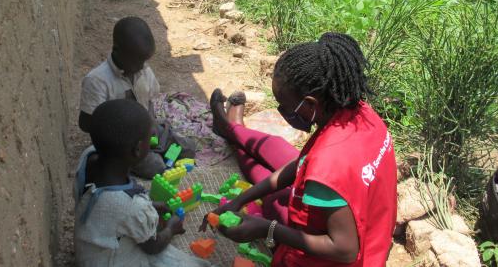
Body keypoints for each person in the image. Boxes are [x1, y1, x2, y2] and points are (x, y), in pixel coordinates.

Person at [202, 32, 397, 266]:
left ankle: (232, 131)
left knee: (277, 199)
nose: (282, 112)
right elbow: (301, 165)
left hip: (350, 255)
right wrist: (242, 199)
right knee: (279, 156)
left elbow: (345, 250)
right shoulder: (359, 113)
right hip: (369, 229)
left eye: (284, 106)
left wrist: (269, 229)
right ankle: (233, 130)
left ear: (311, 103)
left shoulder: (327, 168)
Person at [74, 99, 213, 267]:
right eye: (151, 137)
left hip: (90, 250)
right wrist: (171, 228)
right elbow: (152, 247)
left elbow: (110, 209)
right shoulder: (132, 206)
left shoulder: (89, 156)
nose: (154, 140)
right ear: (138, 148)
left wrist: (151, 205)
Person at [78, 16, 164, 178]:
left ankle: (154, 148)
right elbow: (85, 123)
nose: (141, 67)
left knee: (185, 146)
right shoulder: (97, 81)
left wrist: (151, 122)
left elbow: (150, 101)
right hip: (120, 146)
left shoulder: (142, 70)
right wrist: (119, 127)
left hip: (143, 132)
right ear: (117, 50)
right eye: (137, 61)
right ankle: (127, 164)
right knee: (156, 167)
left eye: (144, 61)